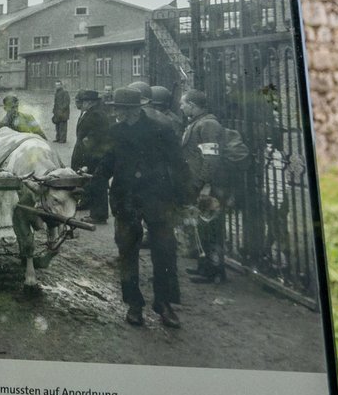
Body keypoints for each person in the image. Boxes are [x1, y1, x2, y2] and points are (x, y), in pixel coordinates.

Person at [100, 86, 188, 328]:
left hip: (157, 198)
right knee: (127, 250)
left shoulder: (160, 130)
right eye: (117, 109)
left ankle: (165, 304)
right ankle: (134, 304)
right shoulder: (114, 132)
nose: (119, 113)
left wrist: (183, 197)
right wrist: (90, 181)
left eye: (123, 109)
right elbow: (107, 163)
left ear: (137, 109)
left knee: (165, 249)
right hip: (125, 199)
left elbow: (178, 164)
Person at [178, 90, 238, 283]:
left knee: (211, 229)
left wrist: (204, 184)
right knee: (203, 228)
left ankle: (214, 271)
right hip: (202, 185)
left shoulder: (208, 125)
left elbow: (211, 159)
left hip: (209, 187)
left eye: (184, 103)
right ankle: (205, 267)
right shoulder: (197, 123)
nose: (181, 107)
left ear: (193, 105)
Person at [68, 89, 111, 223]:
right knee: (91, 182)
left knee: (97, 183)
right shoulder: (90, 113)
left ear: (90, 102)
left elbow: (95, 137)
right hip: (90, 153)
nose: (83, 103)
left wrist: (86, 152)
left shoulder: (96, 115)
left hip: (94, 155)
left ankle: (98, 215)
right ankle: (89, 205)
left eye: (85, 101)